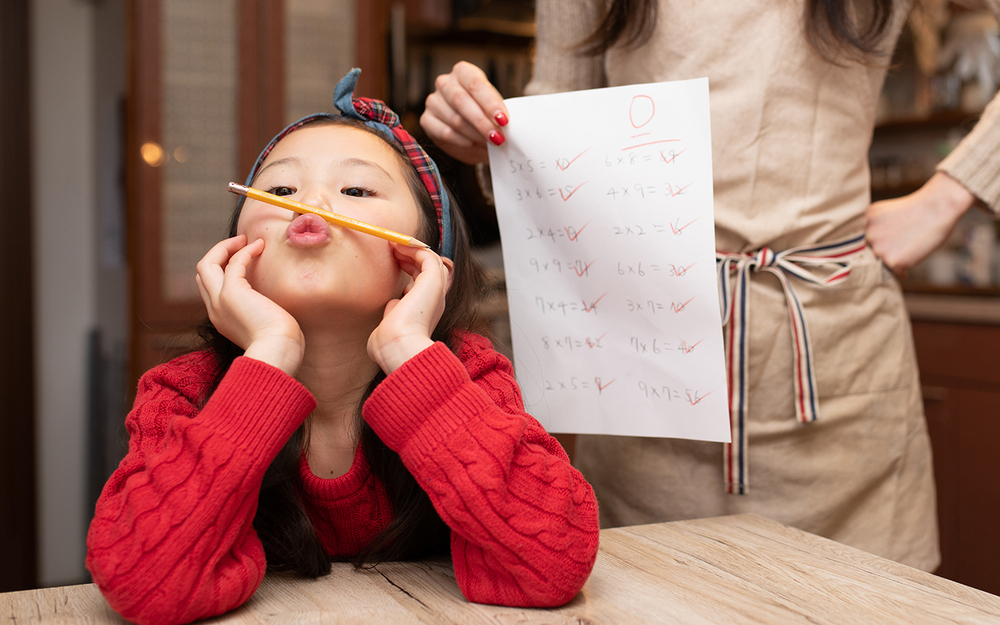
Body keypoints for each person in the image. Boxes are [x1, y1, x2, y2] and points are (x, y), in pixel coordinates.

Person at [420, 0, 1000, 572]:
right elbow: (557, 125)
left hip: (835, 359)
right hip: (648, 364)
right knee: (651, 596)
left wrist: (949, 195)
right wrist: (489, 139)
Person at [86, 69, 599, 625]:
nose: (311, 202)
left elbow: (554, 563)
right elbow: (142, 582)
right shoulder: (184, 390)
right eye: (279, 190)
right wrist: (269, 354)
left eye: (356, 190)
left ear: (420, 265)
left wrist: (409, 350)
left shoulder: (470, 377)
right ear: (237, 254)